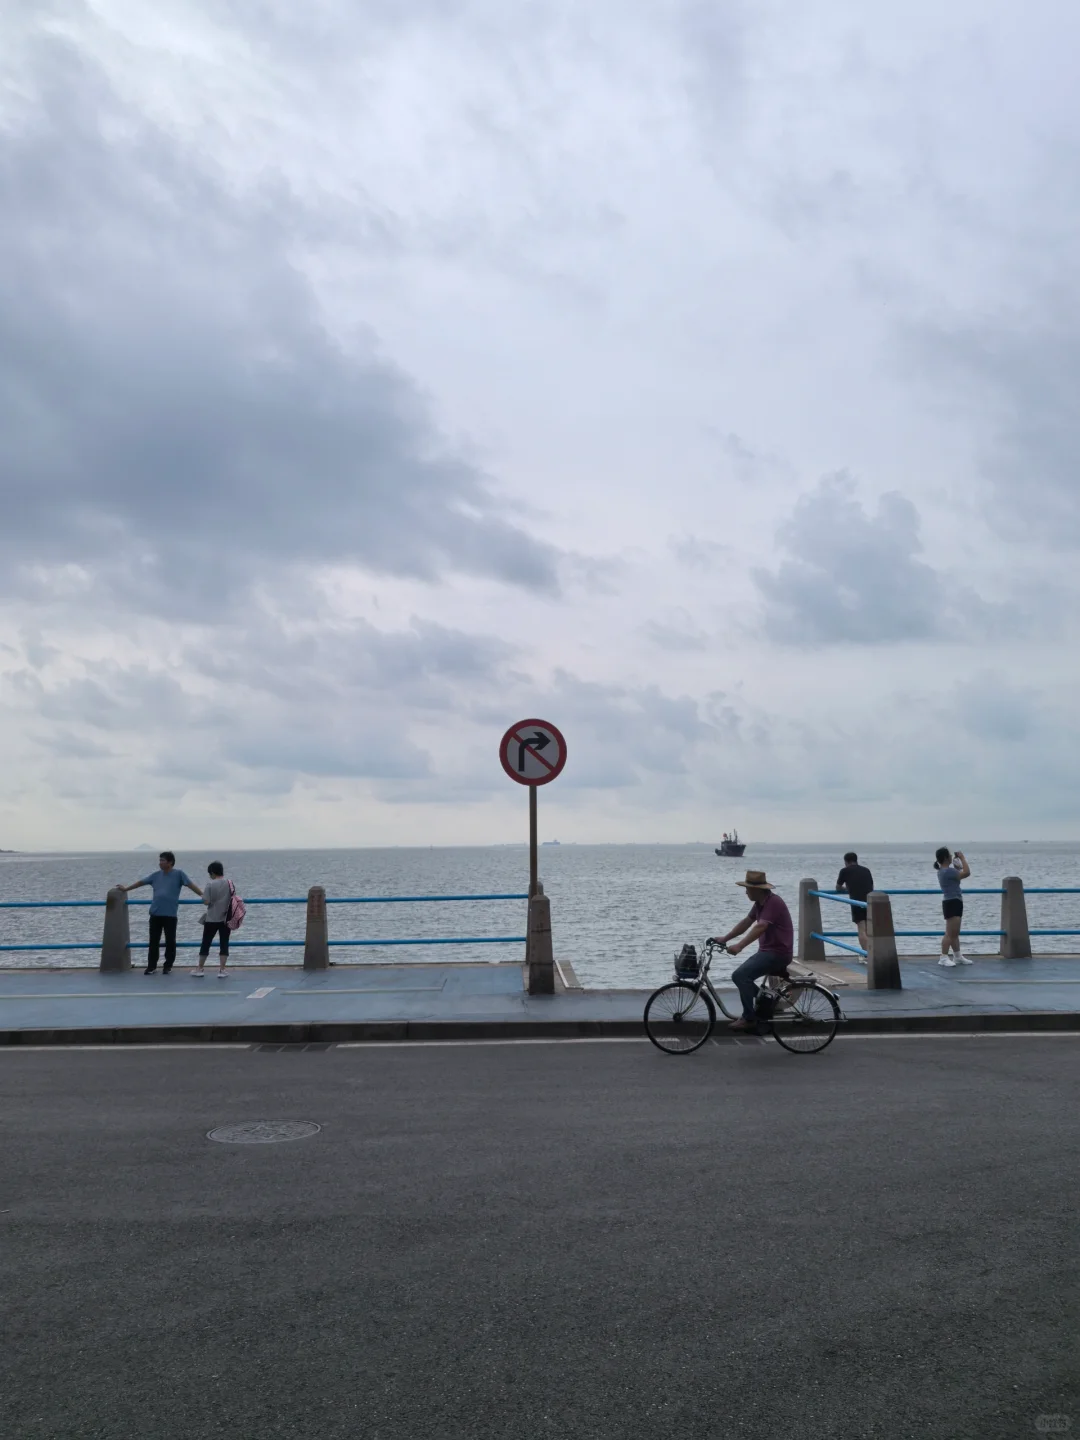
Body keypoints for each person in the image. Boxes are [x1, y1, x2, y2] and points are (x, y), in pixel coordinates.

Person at [711, 869, 794, 1032]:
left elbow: (761, 926)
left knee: (741, 976)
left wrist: (739, 946)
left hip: (778, 953)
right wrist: (725, 938)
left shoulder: (773, 903)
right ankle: (767, 1001)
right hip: (768, 951)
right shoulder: (759, 904)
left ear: (757, 890)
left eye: (747, 889)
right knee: (743, 976)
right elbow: (746, 922)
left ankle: (749, 1018)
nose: (746, 892)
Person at [117, 852, 202, 975]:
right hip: (155, 913)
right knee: (153, 941)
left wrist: (202, 895)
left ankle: (168, 966)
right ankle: (151, 966)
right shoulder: (156, 875)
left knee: (170, 941)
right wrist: (126, 888)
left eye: (162, 860)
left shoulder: (179, 874)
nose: (160, 863)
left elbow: (191, 885)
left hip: (170, 915)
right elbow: (141, 882)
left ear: (170, 862)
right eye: (160, 860)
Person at [192, 862, 232, 978]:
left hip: (211, 918)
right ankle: (222, 970)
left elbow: (206, 901)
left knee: (206, 943)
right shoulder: (230, 883)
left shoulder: (210, 884)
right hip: (225, 918)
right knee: (224, 943)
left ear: (212, 873)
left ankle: (200, 969)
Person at [935, 847, 972, 967]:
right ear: (946, 858)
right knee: (950, 933)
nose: (951, 857)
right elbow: (966, 873)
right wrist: (962, 858)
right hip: (952, 902)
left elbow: (958, 875)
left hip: (953, 901)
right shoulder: (947, 872)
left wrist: (957, 867)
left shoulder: (943, 871)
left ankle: (957, 956)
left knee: (955, 932)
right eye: (950, 855)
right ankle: (943, 957)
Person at [835, 851, 874, 959]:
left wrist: (847, 889)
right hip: (869, 901)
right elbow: (871, 885)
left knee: (862, 930)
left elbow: (838, 887)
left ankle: (867, 955)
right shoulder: (866, 870)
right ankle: (872, 953)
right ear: (856, 860)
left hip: (856, 902)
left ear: (846, 862)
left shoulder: (844, 871)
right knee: (869, 930)